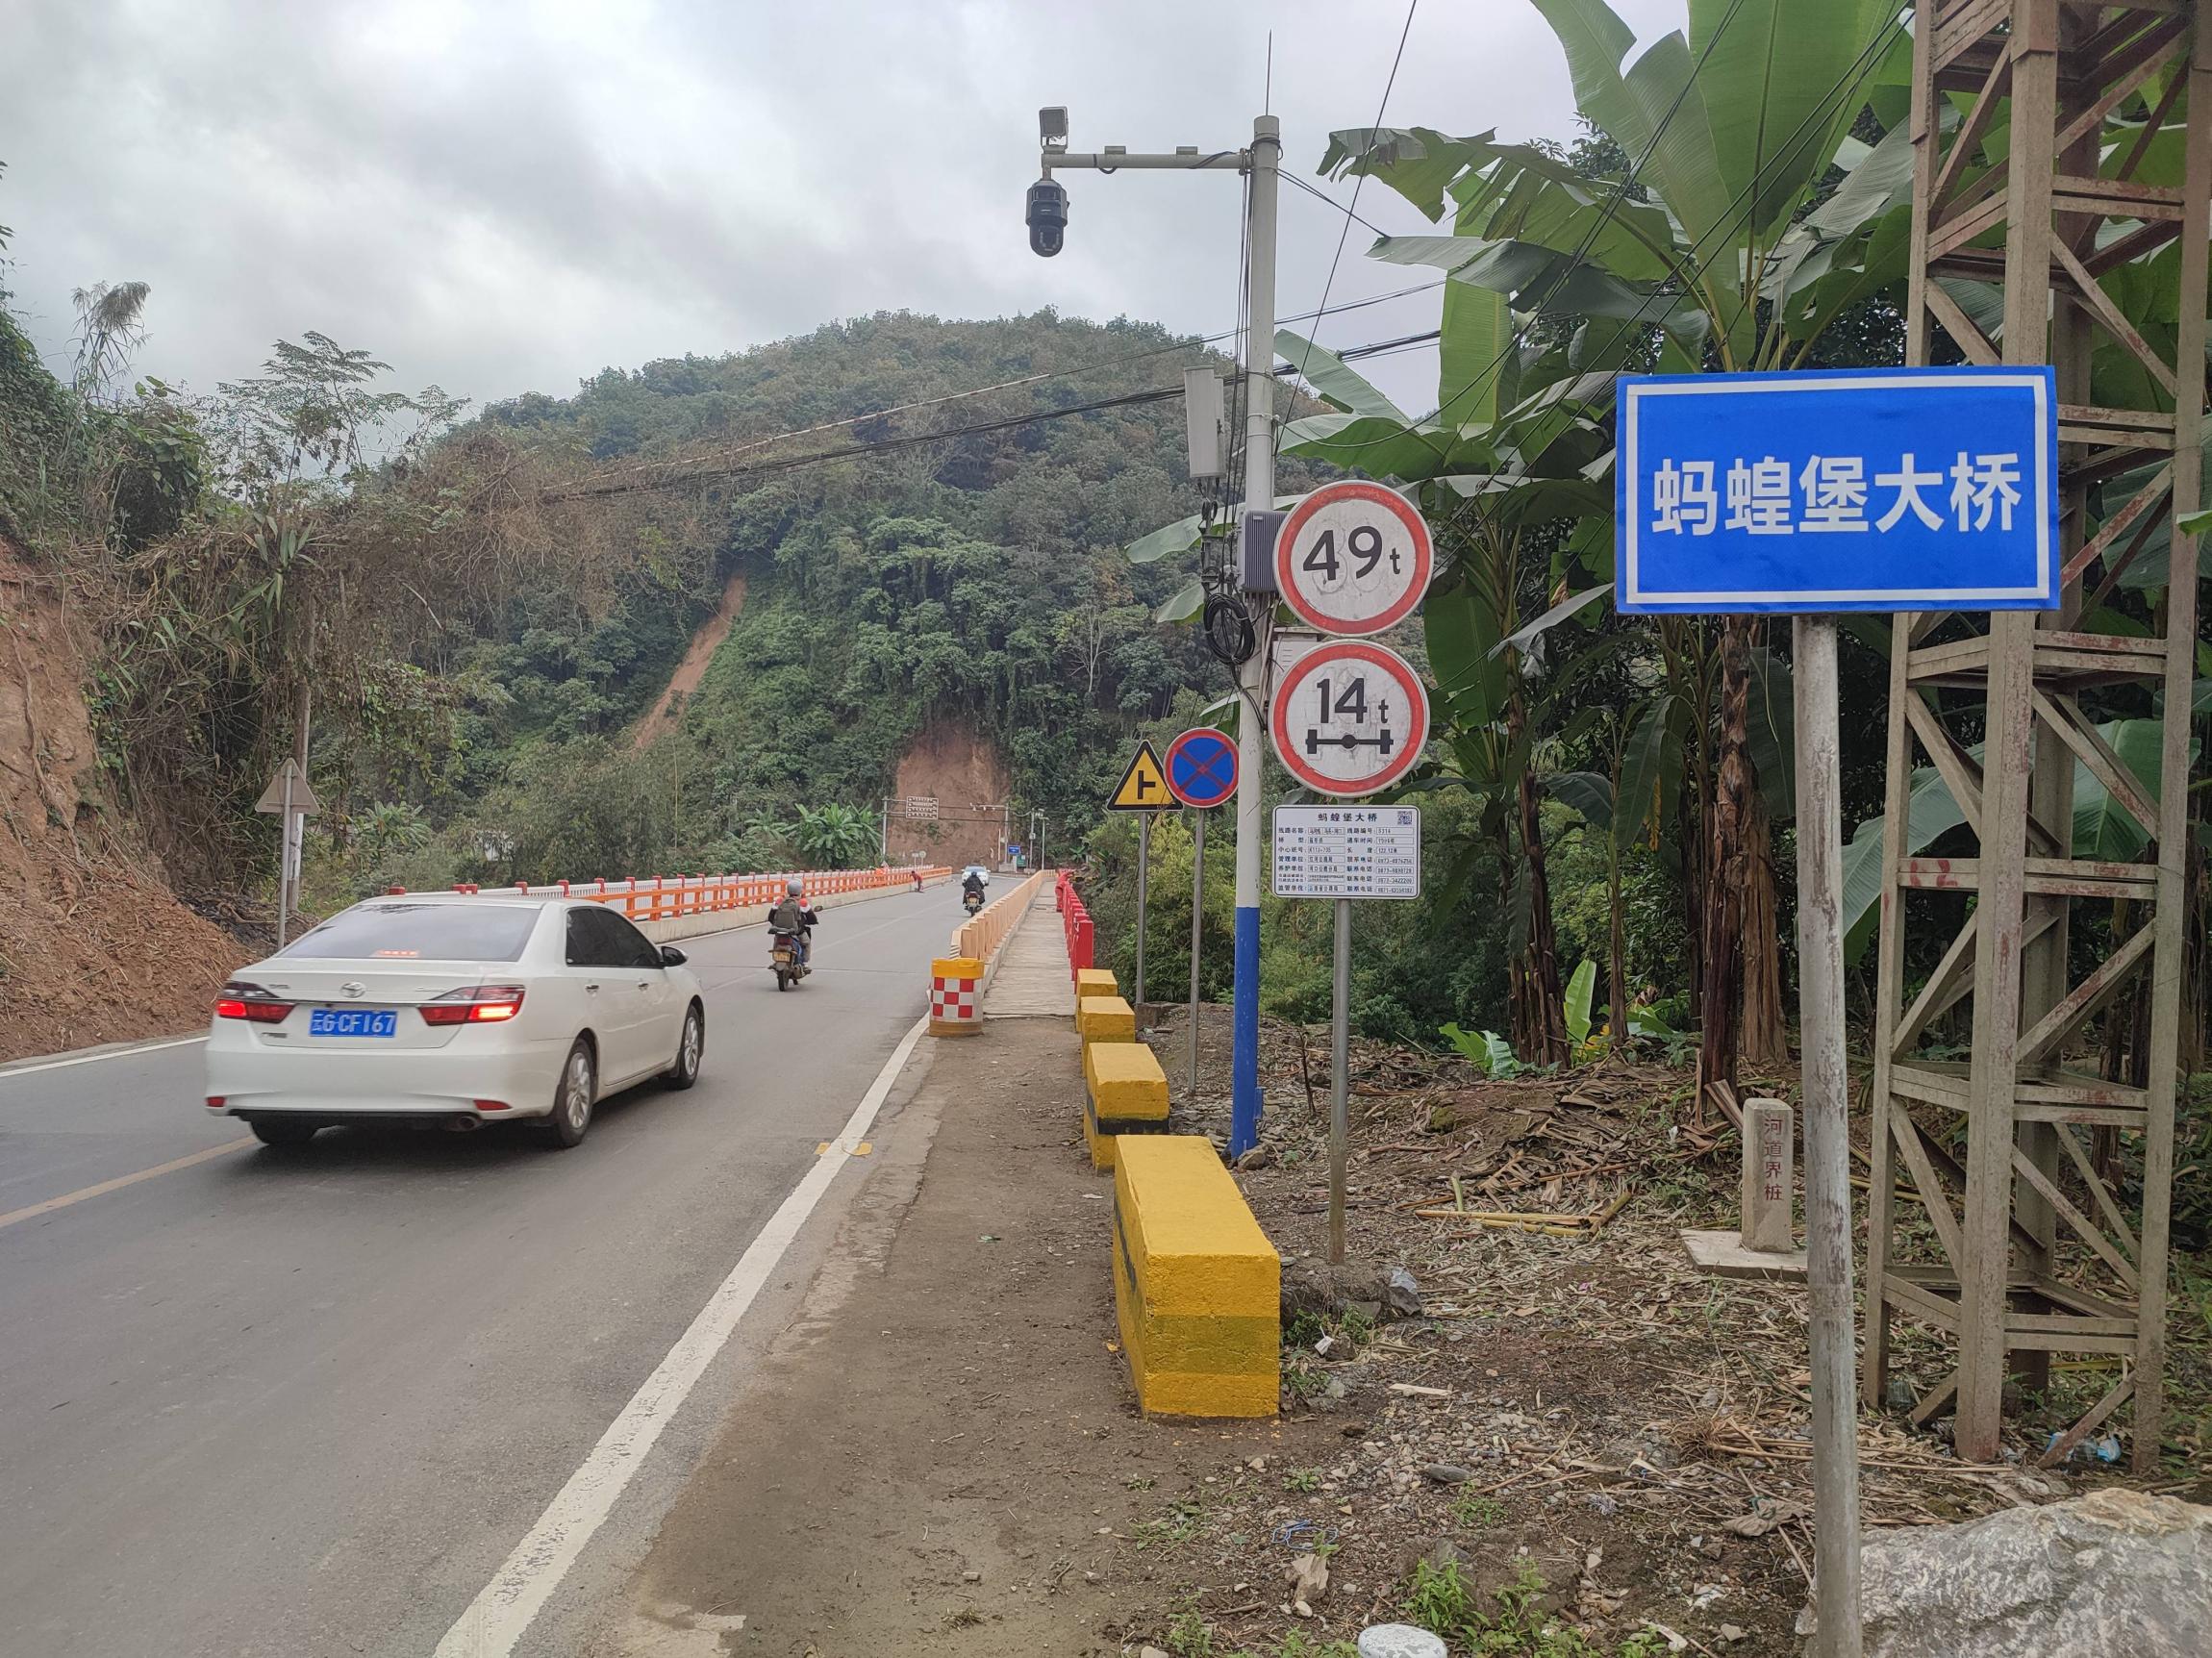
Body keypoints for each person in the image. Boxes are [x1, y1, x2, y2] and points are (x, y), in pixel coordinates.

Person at [768, 877, 820, 967]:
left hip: (780, 930)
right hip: (797, 931)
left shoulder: (779, 901)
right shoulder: (803, 903)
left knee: (777, 940)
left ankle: (776, 959)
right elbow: (812, 919)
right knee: (806, 943)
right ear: (800, 890)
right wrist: (811, 922)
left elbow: (770, 917)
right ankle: (804, 963)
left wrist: (778, 925)